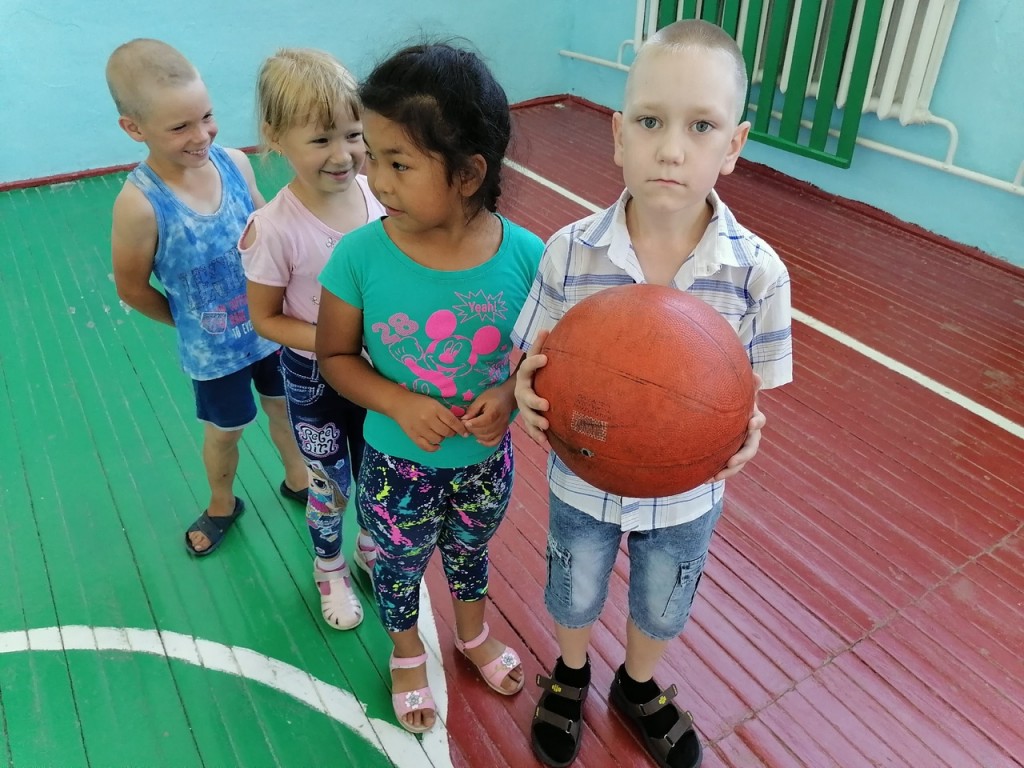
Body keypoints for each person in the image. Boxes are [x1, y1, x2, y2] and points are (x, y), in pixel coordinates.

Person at [512, 20, 793, 768]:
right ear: (617, 135)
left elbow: (750, 395)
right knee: (574, 589)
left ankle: (637, 685)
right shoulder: (570, 251)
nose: (672, 148)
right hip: (583, 475)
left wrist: (748, 430)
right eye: (649, 121)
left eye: (701, 126)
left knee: (664, 598)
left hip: (688, 491)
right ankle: (571, 673)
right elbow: (532, 360)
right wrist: (526, 392)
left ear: (734, 145)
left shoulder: (758, 273)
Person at [315, 42, 544, 733]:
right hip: (396, 467)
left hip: (485, 463)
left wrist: (509, 393)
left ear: (469, 173)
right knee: (397, 567)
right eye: (372, 155)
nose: (374, 177)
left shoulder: (527, 256)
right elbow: (334, 355)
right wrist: (399, 401)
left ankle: (472, 636)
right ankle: (408, 652)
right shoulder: (359, 255)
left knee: (471, 553)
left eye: (398, 163)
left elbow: (546, 356)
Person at [106, 39, 307, 557]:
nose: (201, 135)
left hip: (271, 330)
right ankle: (222, 503)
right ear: (134, 128)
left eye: (207, 117)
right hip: (214, 356)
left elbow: (267, 233)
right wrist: (189, 323)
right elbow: (132, 287)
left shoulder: (236, 165)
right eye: (180, 127)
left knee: (286, 409)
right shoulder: (139, 205)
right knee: (226, 432)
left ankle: (298, 478)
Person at [239, 49, 386, 630]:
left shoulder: (381, 197)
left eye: (353, 134)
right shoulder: (274, 228)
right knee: (330, 485)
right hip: (314, 378)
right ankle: (330, 568)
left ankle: (370, 549)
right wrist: (338, 343)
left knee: (379, 472)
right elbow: (265, 318)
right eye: (321, 139)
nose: (343, 154)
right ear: (275, 137)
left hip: (381, 371)